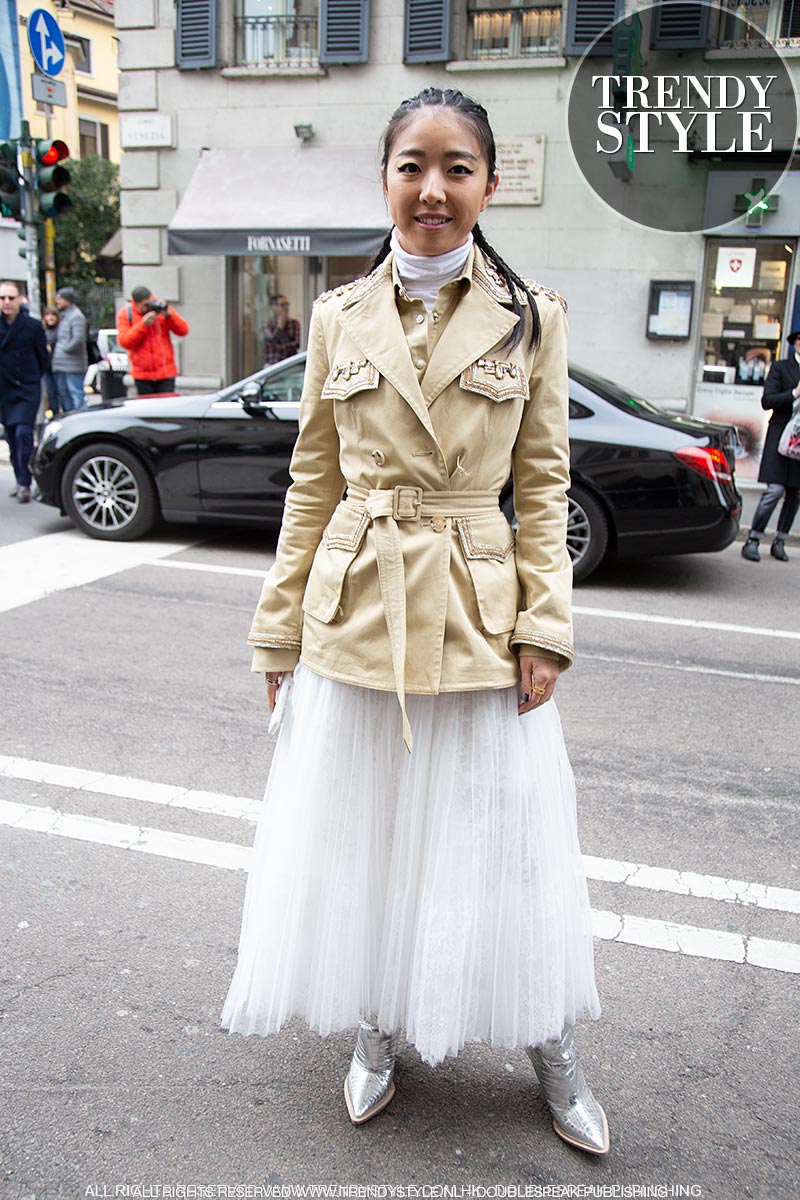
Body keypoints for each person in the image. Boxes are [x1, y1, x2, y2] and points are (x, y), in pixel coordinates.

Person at [221, 88, 608, 1156]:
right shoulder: (340, 316)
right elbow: (311, 483)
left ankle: (549, 1043)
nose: (431, 189)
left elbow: (541, 487)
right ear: (384, 176)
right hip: (355, 609)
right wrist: (276, 631)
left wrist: (544, 628)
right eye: (410, 165)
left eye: (455, 167)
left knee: (511, 847)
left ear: (486, 183)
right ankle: (380, 1026)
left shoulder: (533, 314)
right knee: (372, 841)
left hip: (480, 618)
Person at [742, 329, 800, 562]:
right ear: (795, 343)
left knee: (794, 494)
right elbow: (768, 401)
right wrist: (795, 393)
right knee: (774, 490)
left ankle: (780, 541)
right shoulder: (781, 368)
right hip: (780, 433)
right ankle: (753, 539)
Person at [0, 280, 49, 503]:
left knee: (23, 434)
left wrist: (32, 379)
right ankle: (20, 477)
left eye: (11, 298)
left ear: (20, 299)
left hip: (26, 389)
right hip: (4, 390)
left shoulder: (31, 326)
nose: (7, 303)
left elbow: (43, 359)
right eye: (2, 298)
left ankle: (26, 482)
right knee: (11, 438)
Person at [116, 285, 189, 395]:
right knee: (147, 409)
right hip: (143, 376)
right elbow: (125, 342)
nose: (148, 308)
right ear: (136, 303)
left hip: (165, 373)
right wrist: (143, 325)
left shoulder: (159, 309)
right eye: (145, 305)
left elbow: (183, 330)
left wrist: (170, 316)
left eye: (149, 303)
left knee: (166, 408)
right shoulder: (126, 314)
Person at [51, 286, 88, 412]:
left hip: (72, 364)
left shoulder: (76, 316)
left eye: (60, 299)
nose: (57, 301)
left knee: (75, 393)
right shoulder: (63, 315)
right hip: (61, 363)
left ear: (67, 300)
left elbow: (78, 338)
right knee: (64, 393)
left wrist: (65, 350)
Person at [263, 293, 300, 364]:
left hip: (290, 365)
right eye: (282, 305)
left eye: (287, 304)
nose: (286, 308)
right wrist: (280, 327)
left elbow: (296, 344)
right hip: (273, 365)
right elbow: (272, 343)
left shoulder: (294, 324)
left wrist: (280, 347)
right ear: (274, 307)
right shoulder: (268, 324)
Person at [42, 306, 60, 416]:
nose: (50, 318)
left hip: (58, 364)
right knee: (51, 392)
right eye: (48, 315)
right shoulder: (43, 330)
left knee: (60, 391)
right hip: (47, 366)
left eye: (53, 315)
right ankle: (55, 413)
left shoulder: (59, 330)